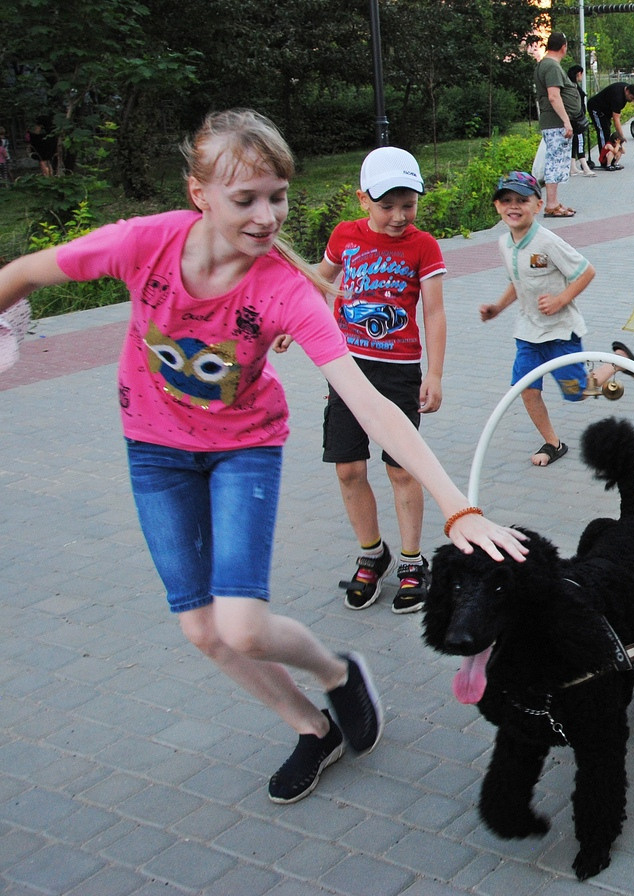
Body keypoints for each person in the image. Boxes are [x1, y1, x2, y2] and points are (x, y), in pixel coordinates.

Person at [0, 109, 527, 805]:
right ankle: (314, 727)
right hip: (154, 449)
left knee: (243, 626)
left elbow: (370, 403)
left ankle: (338, 675)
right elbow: (24, 271)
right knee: (201, 629)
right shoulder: (141, 244)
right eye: (244, 199)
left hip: (242, 449)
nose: (265, 215)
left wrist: (456, 505)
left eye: (276, 196)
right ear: (199, 194)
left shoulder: (283, 290)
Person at [314, 146, 446, 615]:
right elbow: (319, 281)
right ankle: (372, 553)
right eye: (386, 205)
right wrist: (289, 321)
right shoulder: (344, 237)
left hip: (398, 372)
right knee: (348, 466)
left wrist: (433, 372)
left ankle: (412, 560)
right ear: (362, 200)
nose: (398, 216)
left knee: (401, 467)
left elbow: (433, 310)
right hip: (345, 368)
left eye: (407, 204)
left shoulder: (423, 245)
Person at [481, 171, 634, 467]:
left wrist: (560, 300)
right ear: (497, 207)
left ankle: (616, 361)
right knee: (526, 389)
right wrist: (497, 308)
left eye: (522, 200)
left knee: (577, 392)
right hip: (528, 332)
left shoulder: (548, 242)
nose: (513, 206)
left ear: (538, 205)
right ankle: (553, 443)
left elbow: (586, 271)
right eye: (506, 201)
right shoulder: (505, 243)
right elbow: (517, 283)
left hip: (560, 332)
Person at [534, 32, 578, 218]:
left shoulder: (545, 64)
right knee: (555, 162)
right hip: (556, 122)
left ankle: (555, 202)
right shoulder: (551, 66)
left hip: (553, 122)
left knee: (558, 161)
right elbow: (554, 96)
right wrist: (566, 121)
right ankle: (551, 205)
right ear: (564, 47)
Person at [587, 81, 634, 169]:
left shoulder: (625, 89)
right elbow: (616, 119)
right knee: (603, 132)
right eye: (632, 98)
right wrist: (621, 136)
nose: (632, 101)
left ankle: (611, 159)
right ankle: (604, 161)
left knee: (608, 132)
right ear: (627, 91)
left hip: (605, 111)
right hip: (596, 108)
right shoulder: (618, 97)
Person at [566, 65, 595, 177]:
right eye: (582, 74)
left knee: (574, 142)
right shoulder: (574, 87)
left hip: (574, 118)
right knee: (580, 141)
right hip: (577, 119)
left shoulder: (572, 86)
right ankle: (585, 167)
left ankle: (573, 167)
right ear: (578, 73)